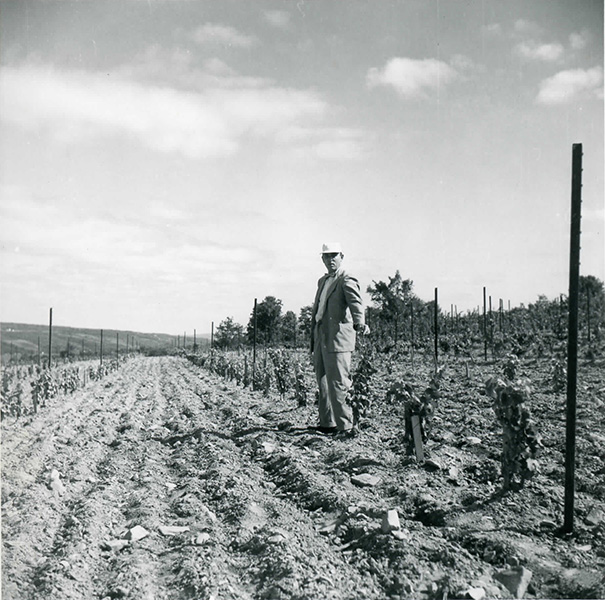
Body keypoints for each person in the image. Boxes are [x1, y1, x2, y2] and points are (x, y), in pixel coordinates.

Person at [310, 242, 370, 438]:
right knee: (323, 381)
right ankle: (327, 423)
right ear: (322, 259)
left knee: (339, 382)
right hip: (321, 334)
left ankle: (344, 427)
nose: (330, 259)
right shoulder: (322, 281)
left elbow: (355, 302)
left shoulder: (346, 279)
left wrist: (360, 323)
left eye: (334, 255)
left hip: (337, 337)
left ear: (341, 256)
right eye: (327, 256)